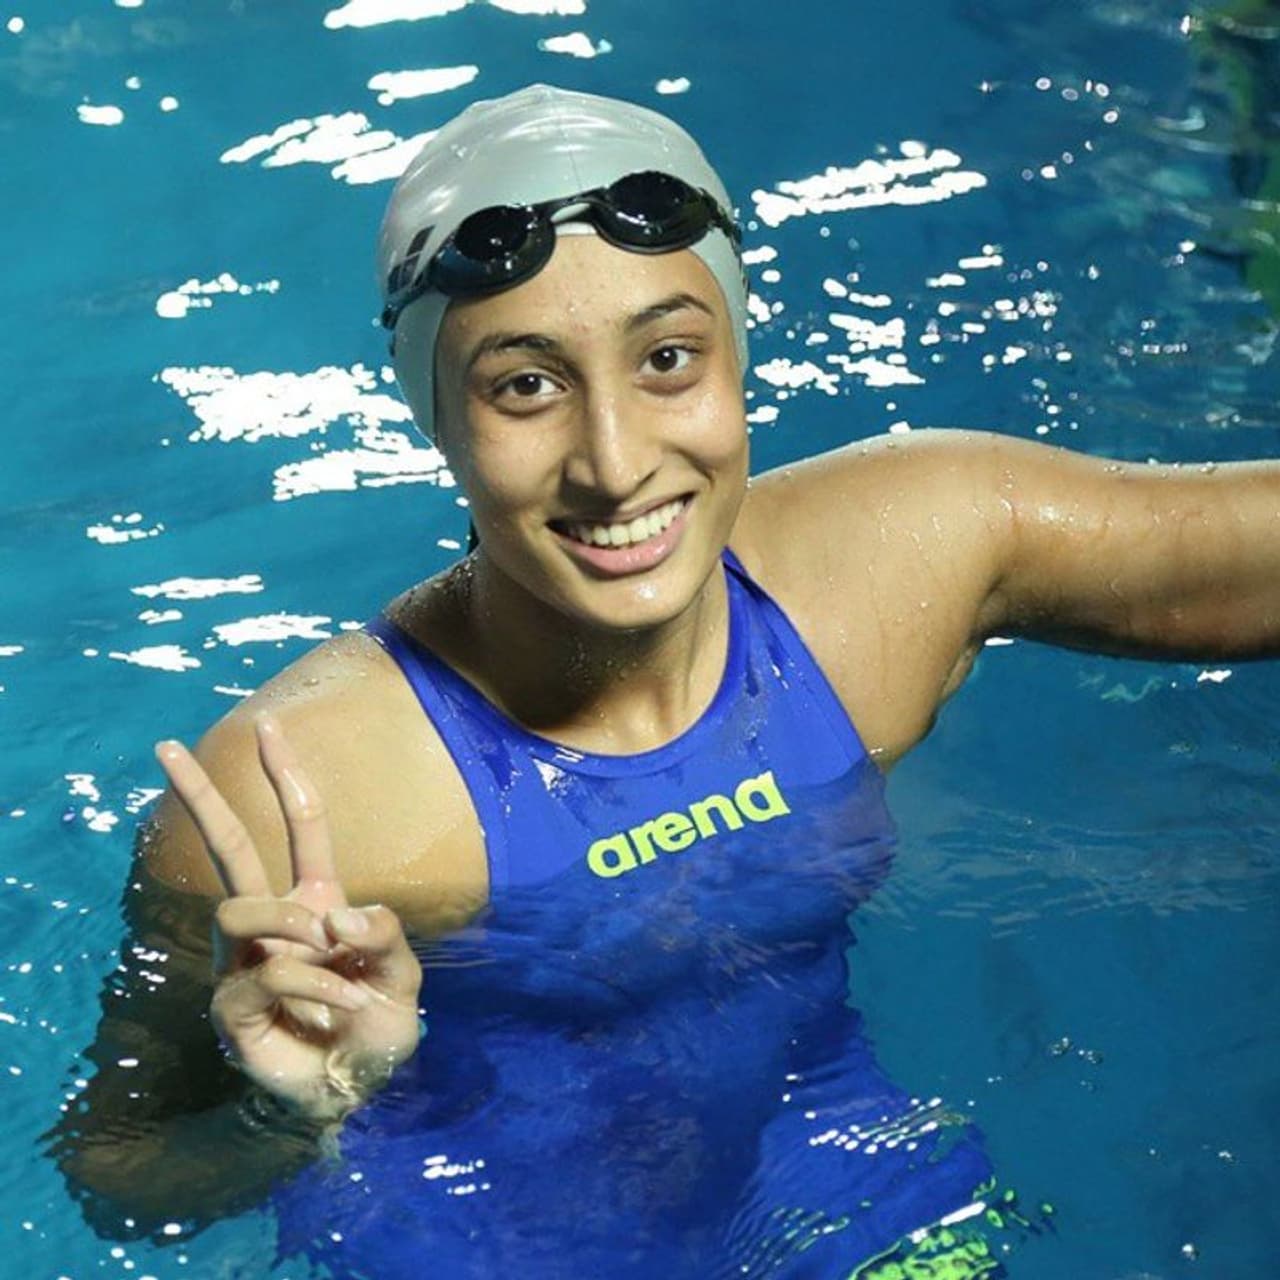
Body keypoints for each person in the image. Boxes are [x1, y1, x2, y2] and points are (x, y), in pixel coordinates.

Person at [56, 84, 1279, 1279]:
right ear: (435, 416)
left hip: (840, 1181)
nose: (614, 461)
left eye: (668, 358)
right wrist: (287, 1110)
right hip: (470, 1241)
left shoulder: (897, 573)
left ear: (738, 358)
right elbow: (119, 1178)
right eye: (524, 384)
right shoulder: (298, 794)